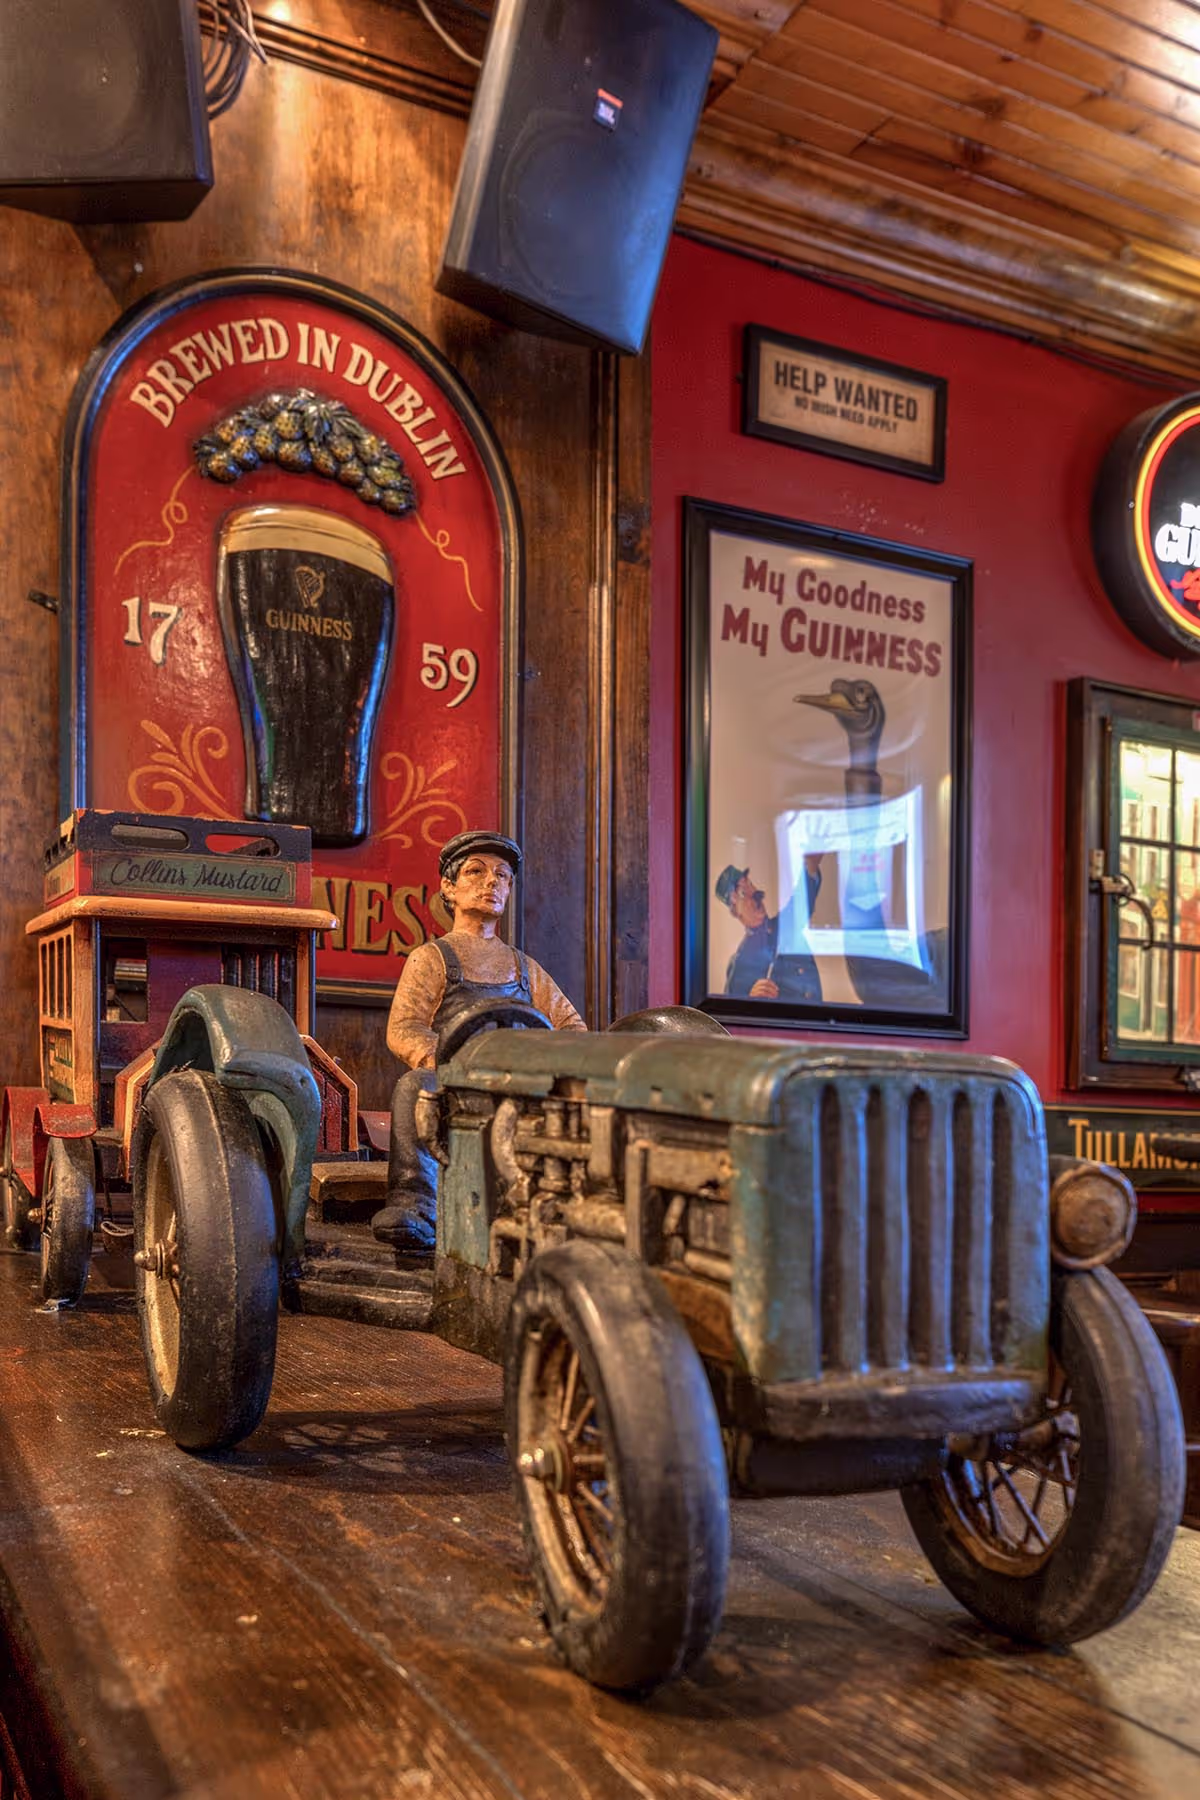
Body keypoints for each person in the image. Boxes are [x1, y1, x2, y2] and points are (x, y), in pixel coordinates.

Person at [373, 829, 586, 1257]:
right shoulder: (432, 958)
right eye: (476, 872)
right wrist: (443, 1059)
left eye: (503, 876)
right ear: (449, 888)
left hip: (519, 1086)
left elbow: (571, 1026)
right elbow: (404, 1027)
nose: (492, 883)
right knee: (414, 1087)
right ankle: (415, 1204)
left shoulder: (524, 968)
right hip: (455, 1084)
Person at [714, 859, 823, 1003]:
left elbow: (803, 897)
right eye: (742, 892)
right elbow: (733, 1014)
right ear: (736, 912)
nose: (753, 892)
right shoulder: (740, 964)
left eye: (750, 884)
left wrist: (811, 864)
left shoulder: (784, 925)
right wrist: (750, 1001)